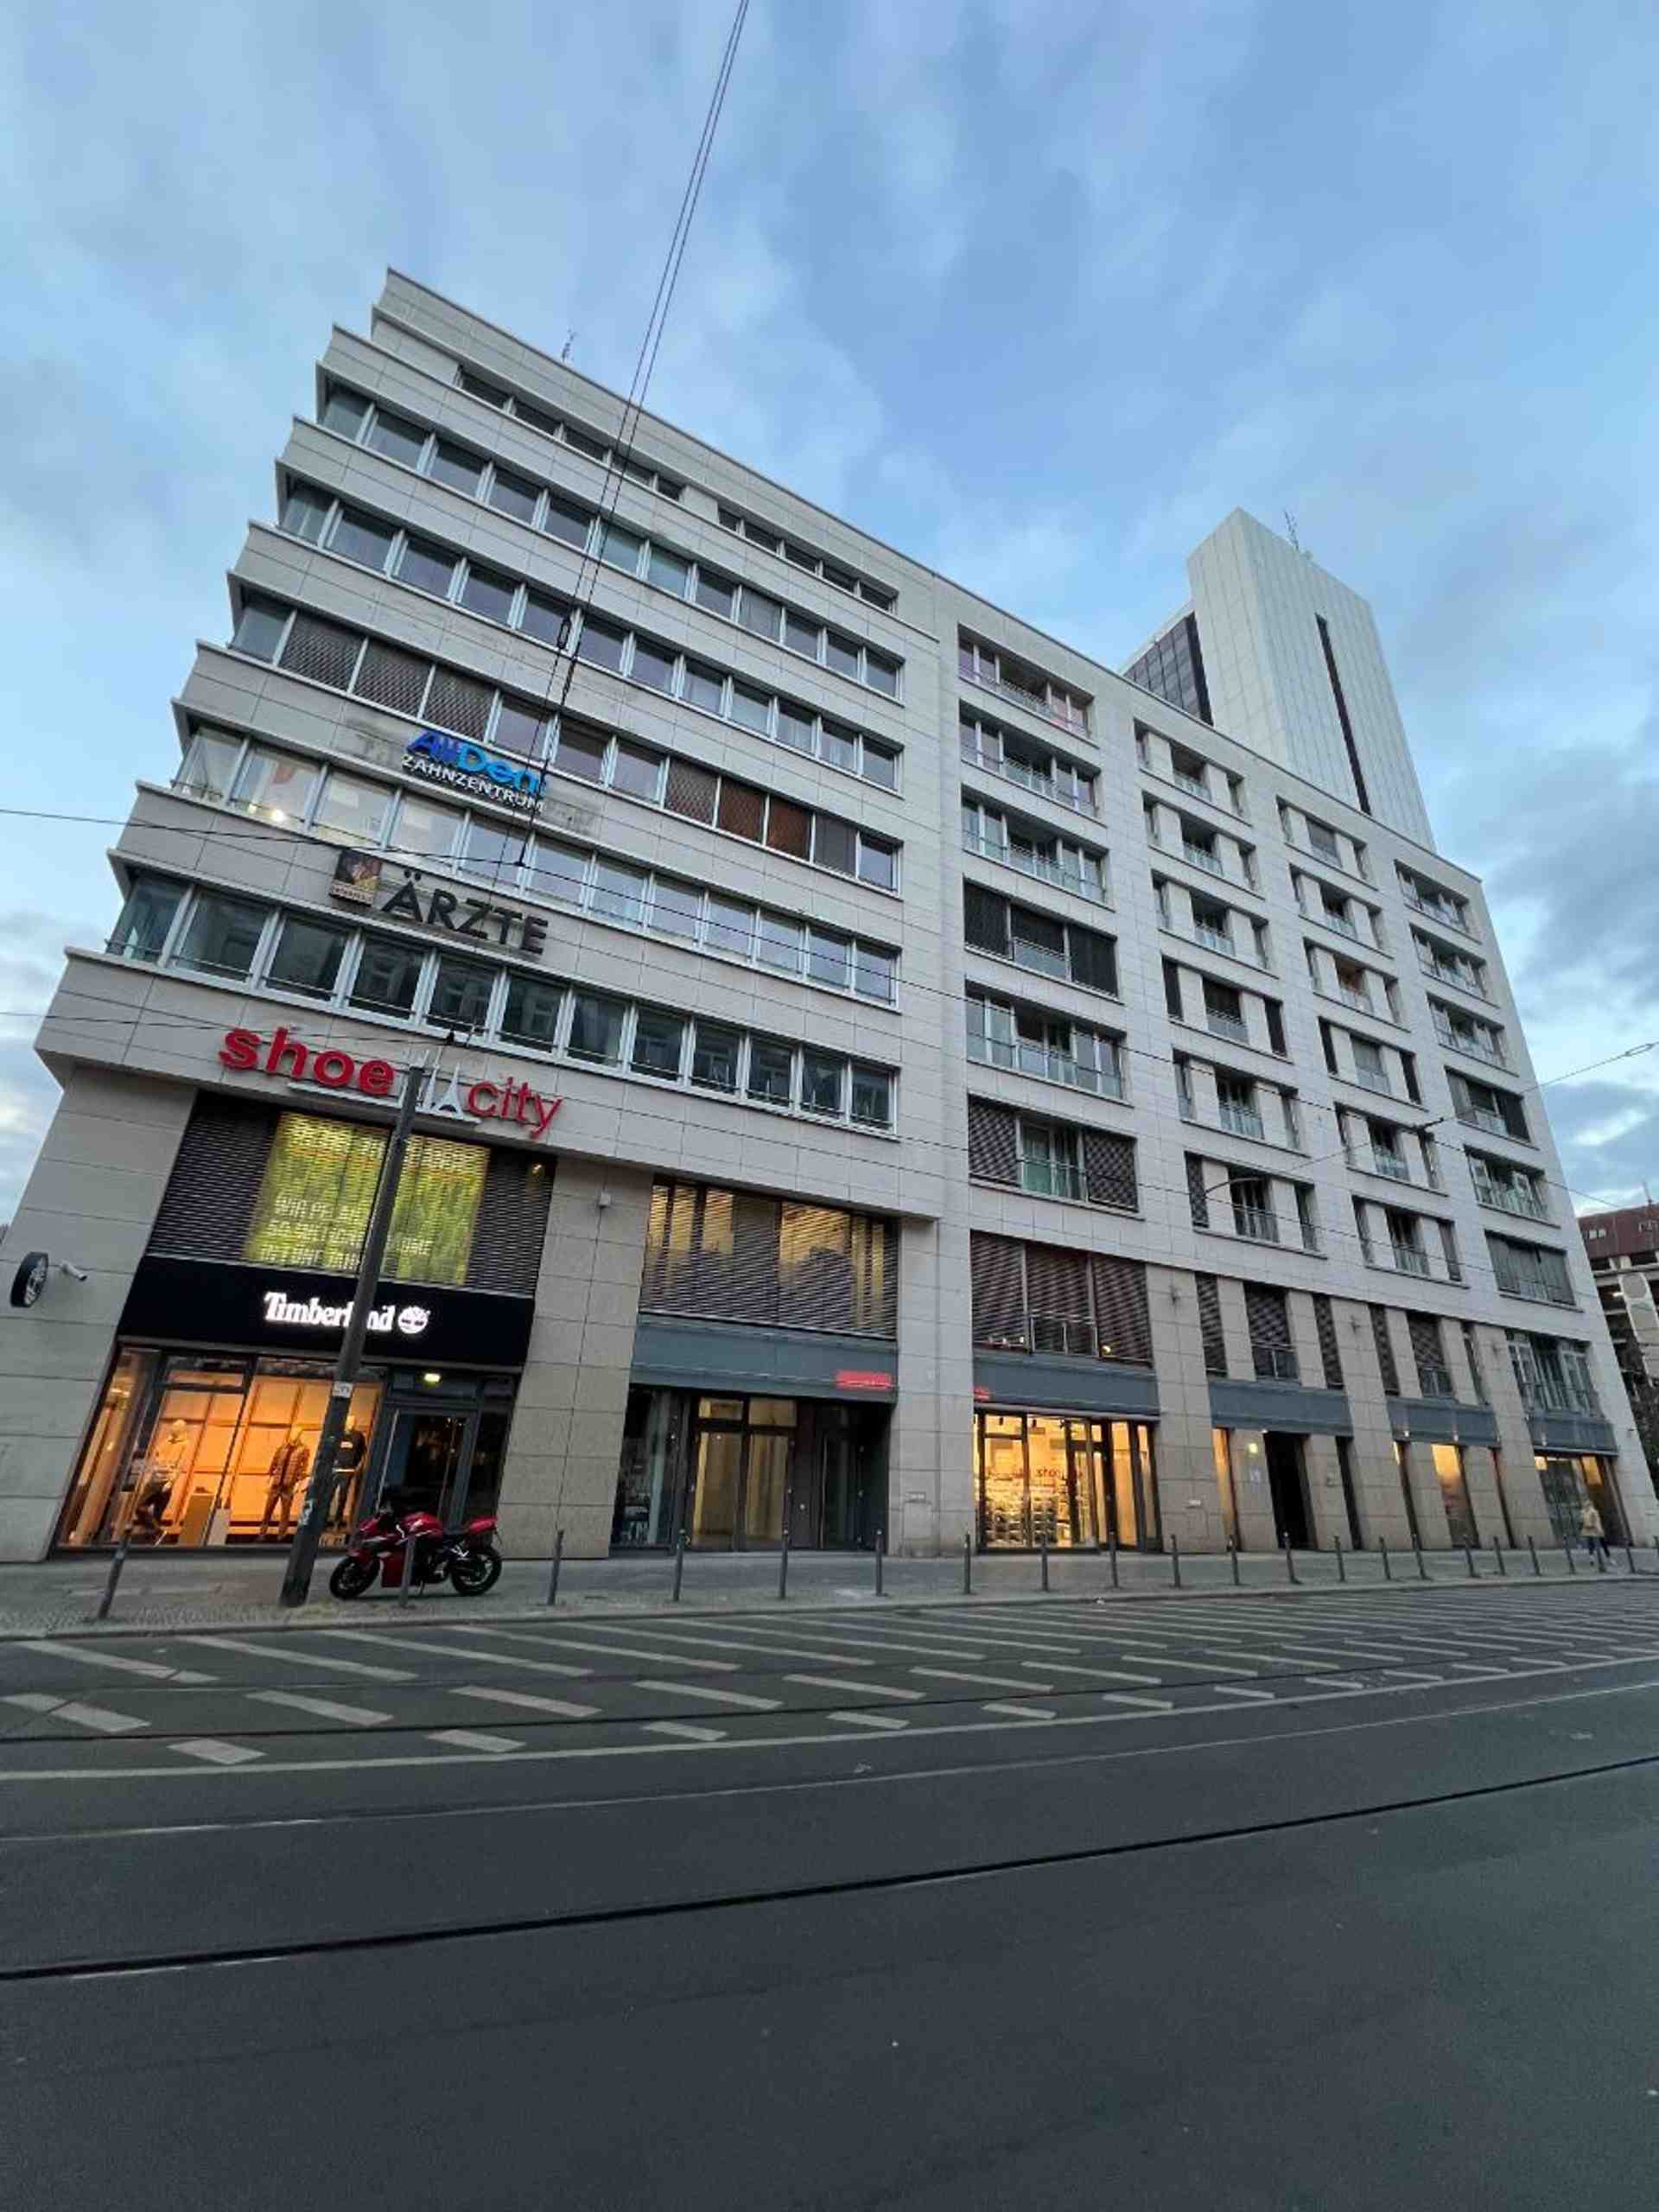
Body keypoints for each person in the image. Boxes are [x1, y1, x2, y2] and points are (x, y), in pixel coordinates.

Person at [260, 1430, 311, 1541]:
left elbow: (303, 1468)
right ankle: (262, 1534)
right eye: (293, 1433)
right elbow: (274, 1463)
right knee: (268, 1509)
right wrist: (268, 1479)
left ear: (300, 1435)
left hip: (289, 1485)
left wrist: (299, 1485)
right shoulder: (282, 1448)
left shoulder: (303, 1450)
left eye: (296, 1434)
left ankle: (281, 1536)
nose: (294, 1436)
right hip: (276, 1484)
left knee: (285, 1512)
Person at [1579, 1497, 1607, 1567]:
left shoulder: (1584, 1512)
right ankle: (1605, 1557)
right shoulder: (1591, 1512)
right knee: (1601, 1543)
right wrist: (1600, 1530)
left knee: (1593, 1544)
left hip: (1590, 1530)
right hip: (1594, 1529)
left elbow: (1581, 1522)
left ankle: (1592, 1558)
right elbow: (1597, 1521)